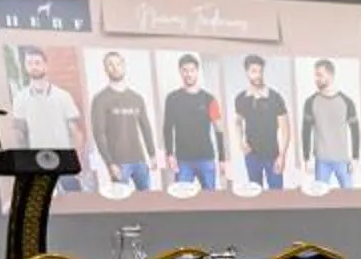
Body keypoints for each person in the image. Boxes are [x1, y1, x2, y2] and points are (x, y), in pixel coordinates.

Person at [8, 44, 87, 191]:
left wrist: (77, 159)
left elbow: (76, 132)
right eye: (29, 63)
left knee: (74, 199)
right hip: (38, 163)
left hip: (63, 162)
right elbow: (20, 135)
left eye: (37, 63)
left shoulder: (63, 96)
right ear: (25, 67)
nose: (34, 66)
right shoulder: (19, 99)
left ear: (45, 65)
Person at [86, 50, 157, 195]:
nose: (115, 68)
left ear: (124, 66)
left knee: (146, 201)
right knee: (121, 201)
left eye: (118, 64)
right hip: (118, 163)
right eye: (110, 65)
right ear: (105, 69)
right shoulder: (100, 99)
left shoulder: (136, 98)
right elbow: (99, 134)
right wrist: (110, 163)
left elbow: (146, 128)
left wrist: (152, 154)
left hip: (140, 160)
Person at [160, 54, 225, 190]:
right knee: (182, 198)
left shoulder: (209, 99)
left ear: (197, 71)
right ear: (180, 72)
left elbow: (219, 130)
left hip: (206, 159)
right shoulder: (172, 99)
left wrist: (222, 159)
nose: (188, 74)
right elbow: (167, 128)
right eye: (185, 70)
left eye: (192, 70)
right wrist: (170, 155)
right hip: (183, 160)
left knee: (210, 199)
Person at [299, 59, 361, 190]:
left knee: (349, 197)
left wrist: (355, 158)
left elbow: (355, 131)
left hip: (342, 160)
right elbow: (306, 131)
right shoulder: (310, 102)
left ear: (331, 75)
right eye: (315, 75)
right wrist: (306, 158)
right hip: (321, 161)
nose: (316, 79)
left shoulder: (347, 102)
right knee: (320, 197)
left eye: (319, 75)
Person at [232, 53, 291, 191]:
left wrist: (282, 156)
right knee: (255, 193)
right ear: (247, 72)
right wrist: (240, 141)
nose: (258, 75)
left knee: (277, 195)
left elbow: (285, 129)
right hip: (251, 156)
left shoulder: (275, 97)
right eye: (254, 71)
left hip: (273, 155)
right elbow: (238, 122)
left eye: (260, 71)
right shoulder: (241, 98)